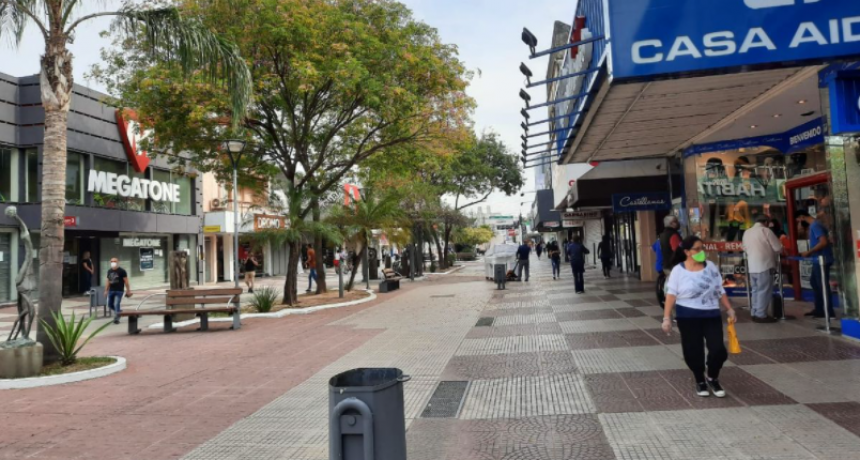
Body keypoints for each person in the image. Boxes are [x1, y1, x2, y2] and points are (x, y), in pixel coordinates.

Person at [662, 236, 737, 398]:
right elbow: (671, 295)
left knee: (718, 350)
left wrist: (729, 308)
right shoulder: (678, 270)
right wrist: (666, 318)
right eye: (697, 249)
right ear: (687, 252)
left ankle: (712, 377)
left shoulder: (710, 266)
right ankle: (700, 380)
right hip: (687, 316)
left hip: (711, 314)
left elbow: (719, 289)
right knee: (693, 351)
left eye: (702, 248)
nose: (701, 252)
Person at [742, 214, 782, 323]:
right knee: (764, 290)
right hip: (765, 265)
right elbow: (778, 247)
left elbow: (744, 248)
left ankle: (754, 312)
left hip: (752, 267)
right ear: (765, 222)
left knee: (755, 290)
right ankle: (761, 315)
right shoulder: (766, 231)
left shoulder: (747, 232)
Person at [796, 211, 834, 318]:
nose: (799, 223)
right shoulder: (816, 225)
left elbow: (823, 242)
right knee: (815, 282)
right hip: (817, 259)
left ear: (802, 217)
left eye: (798, 220)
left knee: (822, 285)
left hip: (821, 259)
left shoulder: (815, 225)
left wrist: (809, 252)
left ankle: (827, 310)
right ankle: (819, 308)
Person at [104, 257, 131, 325]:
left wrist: (128, 290)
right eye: (112, 261)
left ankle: (116, 319)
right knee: (109, 304)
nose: (113, 263)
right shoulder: (109, 271)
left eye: (114, 261)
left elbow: (126, 281)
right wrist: (106, 290)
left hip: (119, 290)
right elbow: (108, 281)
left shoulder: (122, 271)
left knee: (116, 303)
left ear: (118, 262)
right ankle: (118, 311)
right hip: (111, 290)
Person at [659, 215, 683, 279]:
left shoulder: (662, 235)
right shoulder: (673, 235)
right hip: (674, 266)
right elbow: (677, 250)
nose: (678, 222)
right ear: (671, 223)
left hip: (666, 265)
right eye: (676, 221)